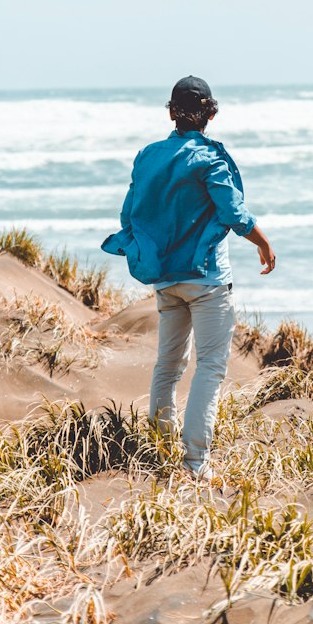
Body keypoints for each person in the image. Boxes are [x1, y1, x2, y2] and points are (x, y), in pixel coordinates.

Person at [102, 76, 276, 477]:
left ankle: (159, 445)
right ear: (211, 114)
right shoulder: (211, 159)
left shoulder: (148, 156)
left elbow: (130, 216)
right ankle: (195, 462)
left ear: (170, 112)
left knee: (168, 365)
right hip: (208, 280)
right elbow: (233, 215)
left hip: (165, 279)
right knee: (211, 367)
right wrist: (263, 242)